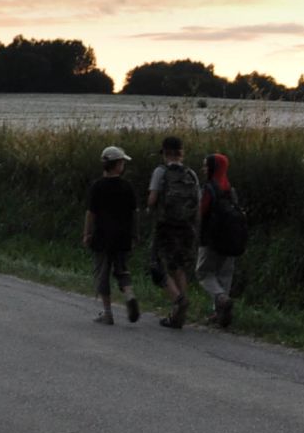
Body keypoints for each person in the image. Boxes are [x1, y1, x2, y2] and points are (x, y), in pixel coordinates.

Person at [147, 136, 201, 328]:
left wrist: (149, 209)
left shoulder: (160, 172)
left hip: (165, 226)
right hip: (187, 228)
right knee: (179, 267)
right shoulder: (191, 174)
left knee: (157, 265)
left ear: (165, 153)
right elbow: (197, 203)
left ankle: (178, 300)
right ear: (181, 153)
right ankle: (180, 313)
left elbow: (152, 200)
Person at [83, 145, 141, 325]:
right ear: (117, 165)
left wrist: (87, 233)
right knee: (122, 269)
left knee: (102, 272)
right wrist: (135, 234)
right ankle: (129, 294)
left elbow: (91, 213)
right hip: (123, 236)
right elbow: (134, 212)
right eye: (122, 162)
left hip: (102, 236)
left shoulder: (97, 186)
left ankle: (107, 312)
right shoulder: (127, 186)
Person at [196, 152, 241, 328]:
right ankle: (219, 313)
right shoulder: (229, 189)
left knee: (203, 272)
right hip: (231, 239)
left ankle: (221, 298)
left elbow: (201, 211)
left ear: (213, 168)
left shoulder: (209, 189)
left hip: (211, 239)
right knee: (225, 275)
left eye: (206, 165)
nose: (203, 169)